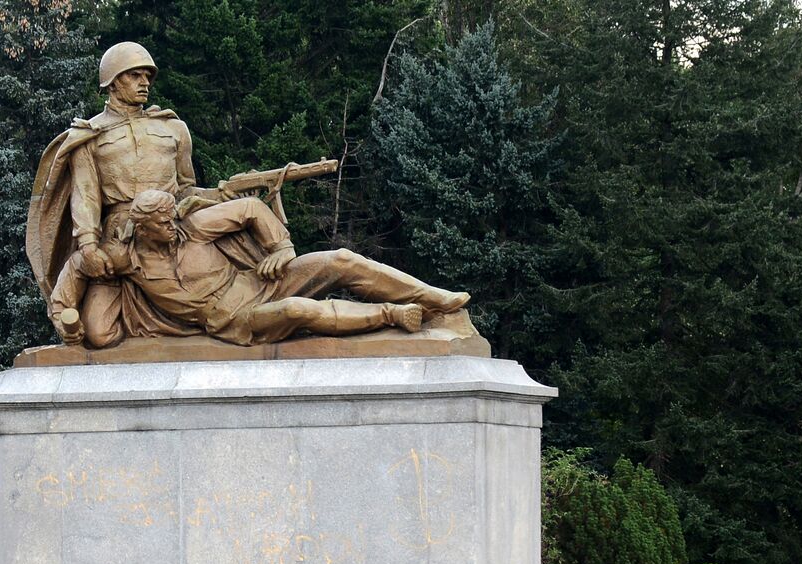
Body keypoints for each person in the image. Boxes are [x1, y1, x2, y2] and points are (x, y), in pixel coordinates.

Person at [54, 189, 470, 345]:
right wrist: (64, 315)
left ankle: (438, 299)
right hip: (237, 318)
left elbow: (252, 208)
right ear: (142, 229)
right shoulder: (129, 261)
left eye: (170, 218)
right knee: (297, 311)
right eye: (162, 223)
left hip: (260, 280)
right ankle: (393, 315)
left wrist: (280, 247)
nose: (171, 226)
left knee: (341, 260)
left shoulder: (195, 226)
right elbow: (77, 266)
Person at [28, 42, 224, 348]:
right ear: (113, 81)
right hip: (119, 238)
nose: (145, 82)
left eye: (147, 75)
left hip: (171, 230)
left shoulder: (174, 128)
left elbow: (187, 186)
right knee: (98, 334)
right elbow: (86, 196)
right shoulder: (89, 134)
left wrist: (220, 195)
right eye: (135, 75)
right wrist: (90, 247)